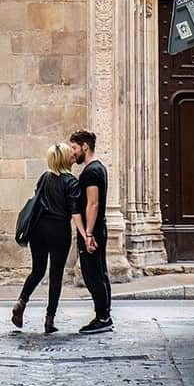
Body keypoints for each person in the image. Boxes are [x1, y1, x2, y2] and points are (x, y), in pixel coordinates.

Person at [11, 143, 88, 334]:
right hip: (58, 230)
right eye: (69, 154)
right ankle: (49, 320)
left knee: (37, 270)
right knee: (56, 275)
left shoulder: (44, 177)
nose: (73, 155)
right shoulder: (71, 182)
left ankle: (21, 302)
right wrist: (85, 234)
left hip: (38, 229)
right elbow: (75, 210)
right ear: (63, 158)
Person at [70, 129, 113, 333]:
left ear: (85, 146)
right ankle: (104, 315)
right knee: (99, 272)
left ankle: (103, 318)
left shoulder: (92, 171)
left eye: (75, 148)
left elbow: (93, 203)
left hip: (93, 230)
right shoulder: (98, 168)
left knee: (93, 274)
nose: (73, 152)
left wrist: (88, 234)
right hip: (96, 228)